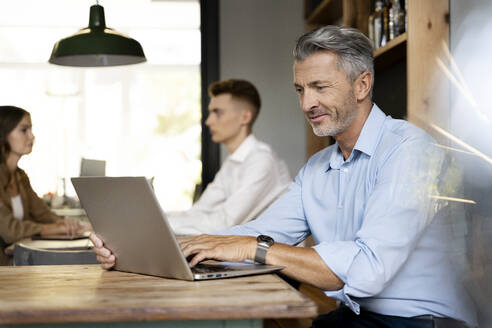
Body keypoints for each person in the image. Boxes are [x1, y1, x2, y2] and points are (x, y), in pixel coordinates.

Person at [91, 26, 476, 327]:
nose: (307, 104)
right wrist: (144, 247)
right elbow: (258, 231)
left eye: (320, 87)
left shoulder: (409, 150)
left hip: (418, 322)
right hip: (355, 317)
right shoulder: (317, 168)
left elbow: (368, 269)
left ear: (362, 84)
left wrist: (254, 247)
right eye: (300, 89)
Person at [165, 79, 291, 235]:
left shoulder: (261, 160)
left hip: (266, 257)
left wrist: (164, 224)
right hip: (240, 253)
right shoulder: (232, 163)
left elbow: (225, 223)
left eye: (217, 112)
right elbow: (200, 210)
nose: (208, 121)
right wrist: (161, 218)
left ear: (245, 117)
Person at [0, 106, 89, 265]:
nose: (32, 136)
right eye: (24, 130)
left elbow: (43, 214)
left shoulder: (20, 176)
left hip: (17, 259)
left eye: (31, 129)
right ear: (4, 134)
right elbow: (9, 230)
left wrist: (65, 224)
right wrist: (49, 229)